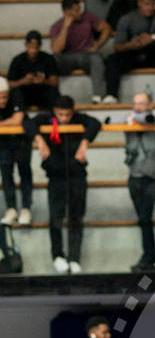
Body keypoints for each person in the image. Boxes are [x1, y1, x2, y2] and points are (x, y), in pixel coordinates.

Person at [25, 94, 100, 273]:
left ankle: (74, 258)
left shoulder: (79, 119)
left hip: (77, 175)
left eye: (67, 115)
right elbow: (27, 123)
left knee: (76, 218)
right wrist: (40, 140)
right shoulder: (47, 119)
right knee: (56, 218)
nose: (64, 119)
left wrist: (84, 143)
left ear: (72, 112)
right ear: (54, 112)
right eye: (60, 115)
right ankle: (58, 255)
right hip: (56, 176)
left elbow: (96, 123)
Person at [49, 0, 112, 105]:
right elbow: (56, 49)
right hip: (67, 58)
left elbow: (107, 28)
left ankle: (98, 96)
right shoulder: (57, 26)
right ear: (67, 12)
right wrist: (66, 27)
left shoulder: (87, 17)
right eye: (77, 10)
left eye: (80, 8)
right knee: (52, 60)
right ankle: (56, 100)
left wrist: (98, 45)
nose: (80, 12)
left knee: (96, 57)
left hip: (86, 56)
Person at [125, 91, 155, 272]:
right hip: (134, 175)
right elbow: (110, 119)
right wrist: (130, 118)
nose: (137, 107)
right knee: (142, 219)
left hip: (151, 176)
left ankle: (149, 257)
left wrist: (133, 118)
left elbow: (149, 120)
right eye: (135, 104)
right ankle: (150, 258)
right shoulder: (127, 119)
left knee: (146, 217)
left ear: (150, 105)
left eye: (141, 103)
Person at [0, 76, 32, 228]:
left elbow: (17, 120)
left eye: (5, 97)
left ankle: (26, 208)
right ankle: (11, 208)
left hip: (21, 139)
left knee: (24, 172)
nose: (2, 101)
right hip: (3, 141)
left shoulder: (16, 94)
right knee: (6, 173)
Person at [7, 30, 59, 111]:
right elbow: (10, 84)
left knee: (53, 92)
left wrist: (43, 81)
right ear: (26, 45)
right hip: (25, 94)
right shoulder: (18, 60)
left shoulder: (48, 59)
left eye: (36, 47)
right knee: (15, 93)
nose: (33, 50)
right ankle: (21, 118)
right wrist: (23, 81)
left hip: (42, 94)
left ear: (40, 46)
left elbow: (55, 82)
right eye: (31, 47)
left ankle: (55, 119)